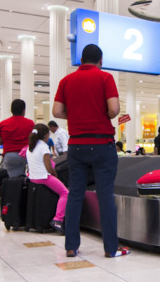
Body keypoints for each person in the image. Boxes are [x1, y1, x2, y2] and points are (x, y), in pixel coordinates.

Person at [53, 43, 128, 258]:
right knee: (105, 195)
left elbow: (57, 111)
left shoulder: (66, 81)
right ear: (100, 61)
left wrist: (76, 116)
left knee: (75, 194)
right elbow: (113, 109)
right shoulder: (105, 78)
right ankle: (111, 248)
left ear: (81, 60)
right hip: (102, 143)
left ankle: (71, 246)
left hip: (76, 145)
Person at [26, 122, 68, 233]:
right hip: (43, 177)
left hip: (33, 177)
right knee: (65, 193)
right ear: (45, 135)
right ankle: (58, 220)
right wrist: (55, 175)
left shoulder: (30, 146)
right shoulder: (44, 147)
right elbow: (49, 168)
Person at [0, 98, 33, 178]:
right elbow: (33, 139)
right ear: (24, 110)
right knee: (28, 177)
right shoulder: (30, 123)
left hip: (10, 155)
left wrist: (7, 140)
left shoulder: (3, 123)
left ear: (11, 110)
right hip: (26, 155)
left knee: (12, 179)